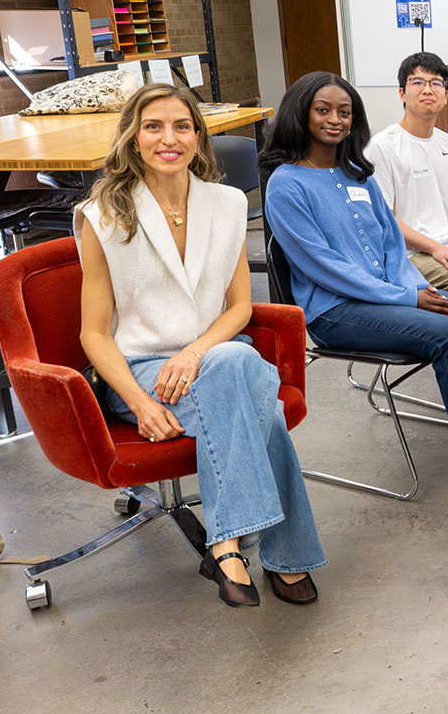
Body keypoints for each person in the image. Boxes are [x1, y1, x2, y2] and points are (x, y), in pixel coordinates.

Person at [75, 82, 324, 608]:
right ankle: (283, 555)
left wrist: (194, 352)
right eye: (154, 126)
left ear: (198, 137)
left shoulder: (229, 204)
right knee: (261, 400)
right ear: (133, 138)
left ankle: (227, 542)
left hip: (212, 357)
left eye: (182, 126)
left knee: (234, 360)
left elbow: (238, 307)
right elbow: (93, 333)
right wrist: (140, 403)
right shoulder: (103, 216)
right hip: (143, 371)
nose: (169, 138)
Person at [260, 71, 448, 505]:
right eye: (322, 110)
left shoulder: (357, 175)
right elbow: (323, 267)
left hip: (388, 296)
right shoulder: (287, 183)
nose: (335, 120)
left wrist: (419, 288)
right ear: (299, 114)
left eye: (344, 112)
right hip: (337, 311)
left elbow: (391, 247)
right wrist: (408, 297)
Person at [365, 52, 448, 294]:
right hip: (413, 253)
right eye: (417, 82)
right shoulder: (382, 147)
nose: (427, 90)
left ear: (445, 95)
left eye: (436, 83)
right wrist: (435, 248)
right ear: (402, 93)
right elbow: (386, 221)